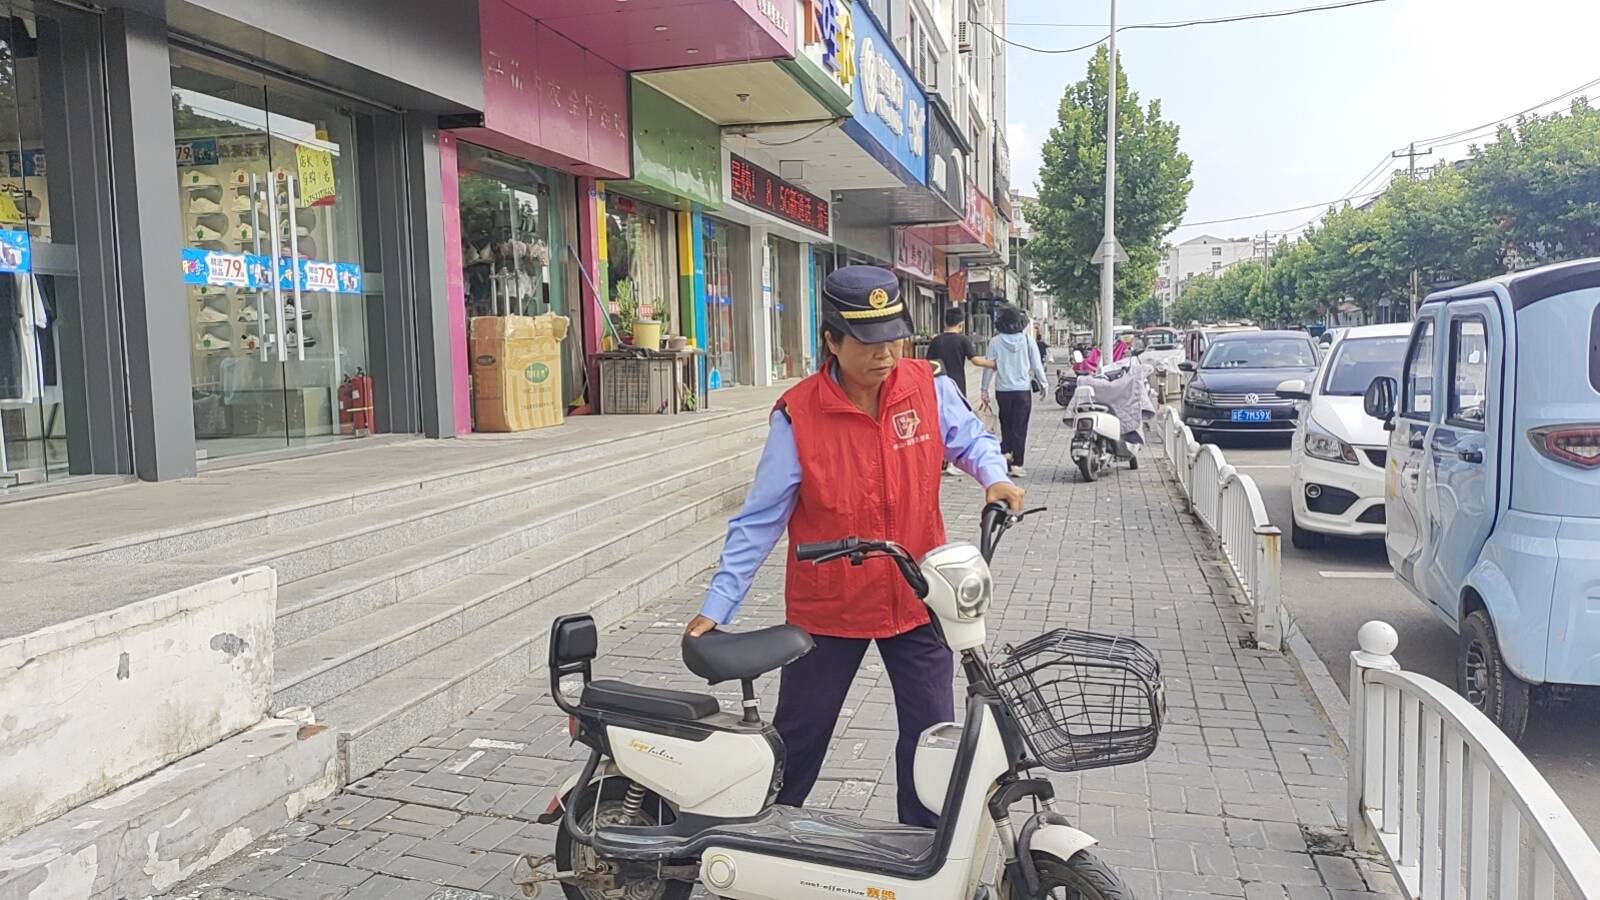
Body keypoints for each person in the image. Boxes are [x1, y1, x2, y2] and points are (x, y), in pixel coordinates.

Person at [685, 266, 1023, 828]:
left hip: (919, 597)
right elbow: (760, 520)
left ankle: (924, 850)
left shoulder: (929, 386)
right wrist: (718, 606)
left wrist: (995, 477)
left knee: (931, 738)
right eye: (868, 341)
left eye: (894, 337)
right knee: (800, 736)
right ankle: (757, 836)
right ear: (832, 341)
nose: (885, 353)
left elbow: (972, 440)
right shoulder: (798, 415)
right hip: (829, 608)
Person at [926, 307, 995, 474]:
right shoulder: (963, 340)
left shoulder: (936, 341)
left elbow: (928, 364)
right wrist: (995, 364)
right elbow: (976, 361)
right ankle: (952, 463)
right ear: (961, 324)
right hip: (956, 386)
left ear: (944, 322)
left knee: (939, 422)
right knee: (956, 423)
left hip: (937, 385)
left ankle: (939, 460)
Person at [981, 306, 1048, 478]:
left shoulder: (995, 342)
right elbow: (1036, 365)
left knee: (1006, 423)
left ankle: (1006, 454)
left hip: (1003, 390)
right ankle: (1017, 463)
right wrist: (1044, 384)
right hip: (1022, 390)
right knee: (1020, 426)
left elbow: (988, 367)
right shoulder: (1027, 340)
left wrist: (984, 389)